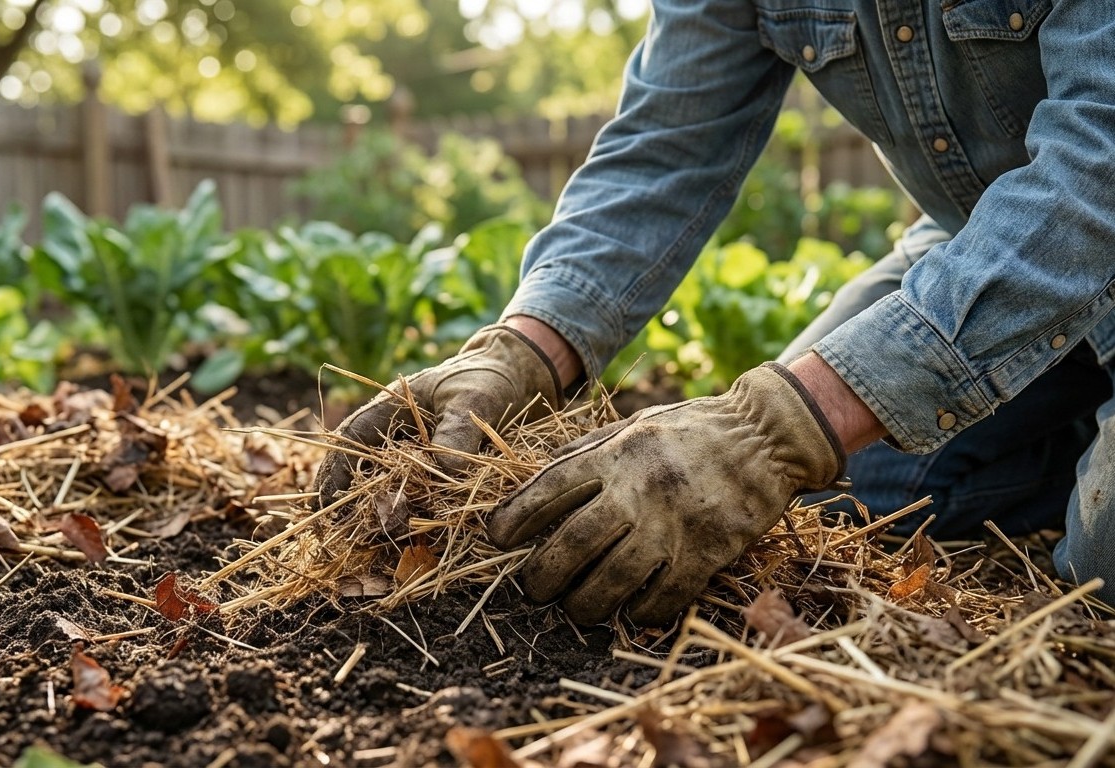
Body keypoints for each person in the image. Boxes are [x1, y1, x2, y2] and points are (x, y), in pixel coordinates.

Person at [315, 0, 1115, 626]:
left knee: (1100, 573)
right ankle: (1066, 428)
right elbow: (665, 145)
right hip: (969, 242)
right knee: (821, 501)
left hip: (1089, 203)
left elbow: (1095, 171)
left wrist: (775, 427)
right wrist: (524, 348)